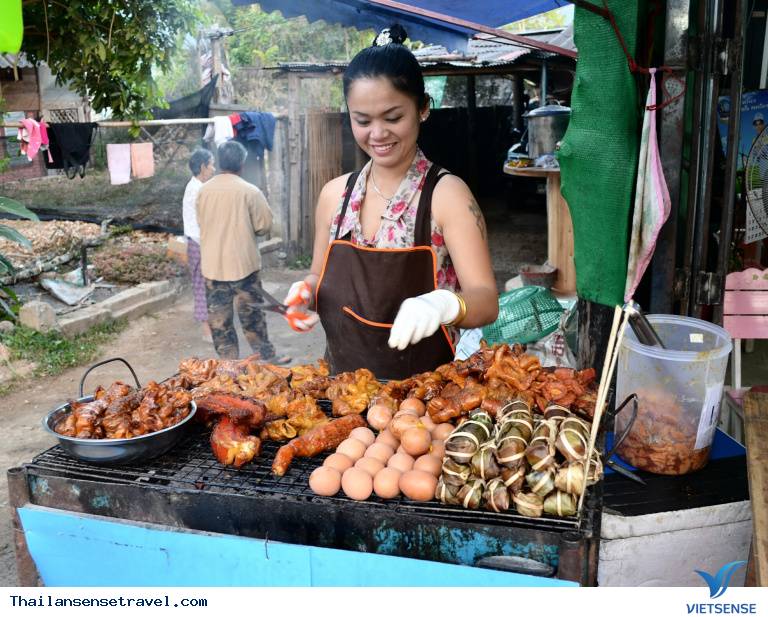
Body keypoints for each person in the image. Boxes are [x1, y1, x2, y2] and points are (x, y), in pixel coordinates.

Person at [284, 25, 498, 379]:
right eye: (362, 121)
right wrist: (304, 291)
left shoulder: (448, 196)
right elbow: (318, 275)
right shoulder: (334, 196)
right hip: (342, 394)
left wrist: (446, 304)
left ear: (423, 108)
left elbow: (486, 300)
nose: (378, 134)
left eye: (393, 117)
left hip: (425, 403)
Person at [196, 140, 291, 364]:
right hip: (243, 268)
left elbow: (201, 222)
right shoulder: (249, 191)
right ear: (242, 163)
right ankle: (268, 359)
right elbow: (264, 226)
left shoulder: (203, 191)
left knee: (219, 323)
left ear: (219, 163)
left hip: (213, 268)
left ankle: (229, 367)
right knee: (253, 317)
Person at [182, 148, 215, 341]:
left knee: (205, 285)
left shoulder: (196, 187)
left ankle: (210, 326)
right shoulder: (197, 189)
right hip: (198, 243)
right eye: (211, 164)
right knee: (202, 286)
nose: (213, 168)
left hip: (197, 242)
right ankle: (206, 331)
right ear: (203, 167)